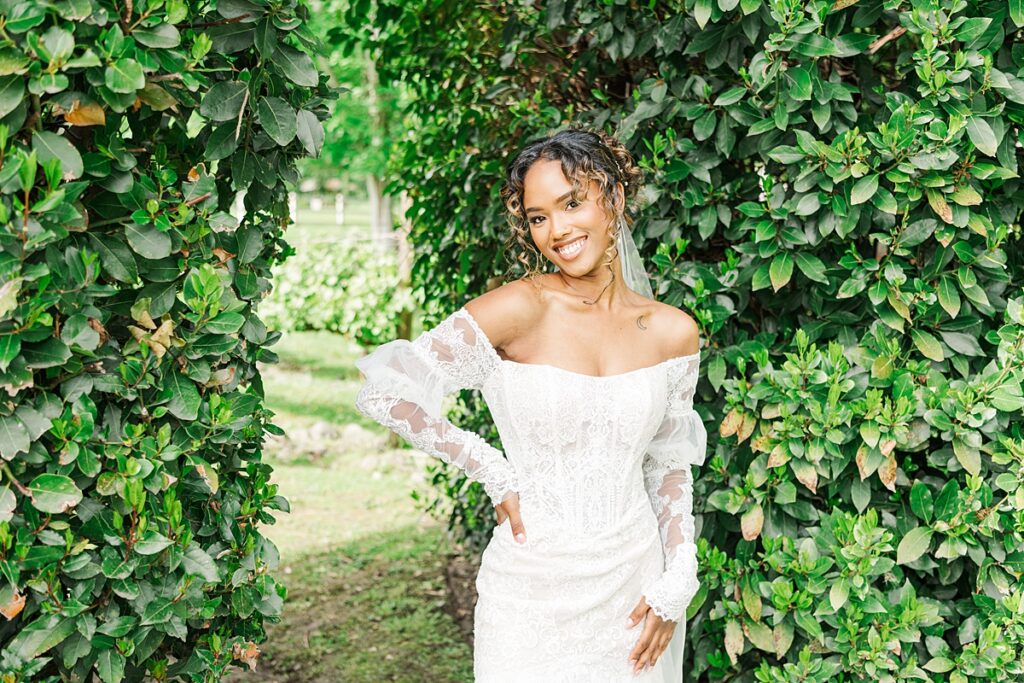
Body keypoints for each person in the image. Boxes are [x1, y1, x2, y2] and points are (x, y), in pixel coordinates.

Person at [354, 128, 706, 682]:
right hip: (531, 587)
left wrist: (679, 574)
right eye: (539, 217)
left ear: (612, 198)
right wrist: (490, 468)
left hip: (634, 586)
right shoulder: (519, 308)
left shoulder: (673, 333)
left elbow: (667, 463)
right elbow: (385, 389)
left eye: (572, 203)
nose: (558, 231)